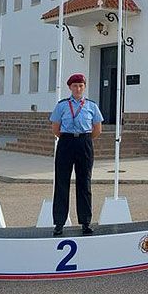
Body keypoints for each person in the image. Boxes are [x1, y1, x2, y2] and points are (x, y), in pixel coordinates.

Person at [49, 73, 103, 236]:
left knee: (84, 183)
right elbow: (55, 128)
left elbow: (97, 129)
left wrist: (83, 139)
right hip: (66, 142)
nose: (78, 88)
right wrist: (69, 138)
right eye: (75, 86)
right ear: (70, 88)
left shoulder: (92, 106)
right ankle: (59, 222)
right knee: (61, 182)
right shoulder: (62, 105)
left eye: (80, 86)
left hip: (85, 143)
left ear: (84, 87)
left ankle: (85, 222)